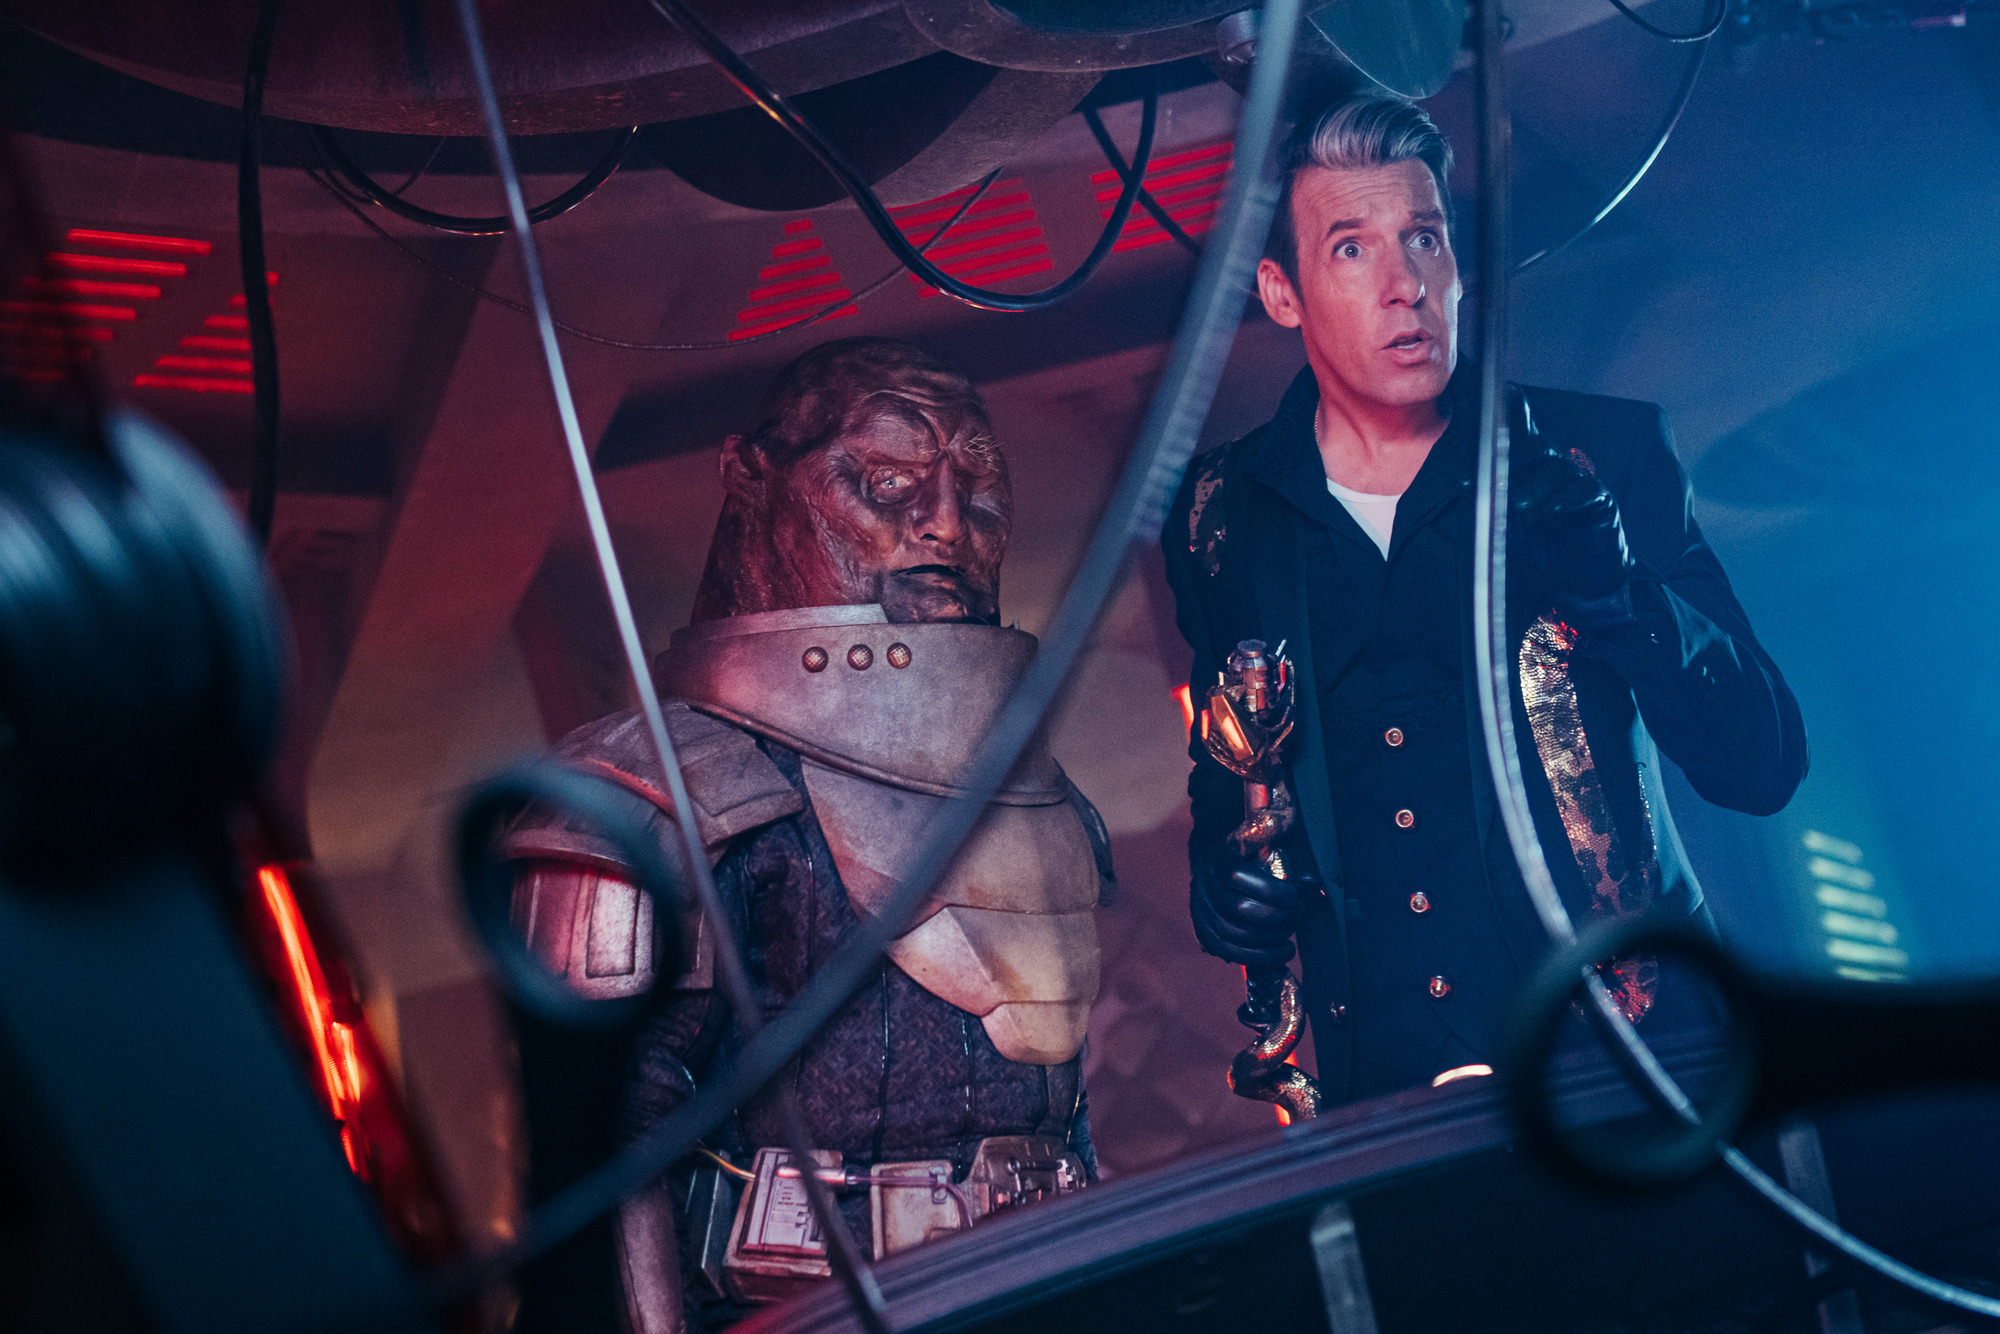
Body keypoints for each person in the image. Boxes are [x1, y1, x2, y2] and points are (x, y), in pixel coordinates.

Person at [1161, 95, 1807, 1105]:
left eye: (1423, 238)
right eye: (1350, 249)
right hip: (1387, 1099)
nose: (1404, 285)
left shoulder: (1601, 456)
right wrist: (1222, 882)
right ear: (1282, 294)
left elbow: (1761, 766)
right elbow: (1230, 765)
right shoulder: (1219, 516)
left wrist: (1620, 595)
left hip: (1637, 1071)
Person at [506, 338, 1110, 1332]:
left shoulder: (1042, 796)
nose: (945, 520)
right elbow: (609, 1145)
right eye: (886, 479)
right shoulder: (645, 792)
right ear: (753, 479)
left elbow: (1067, 1114)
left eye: (977, 484)